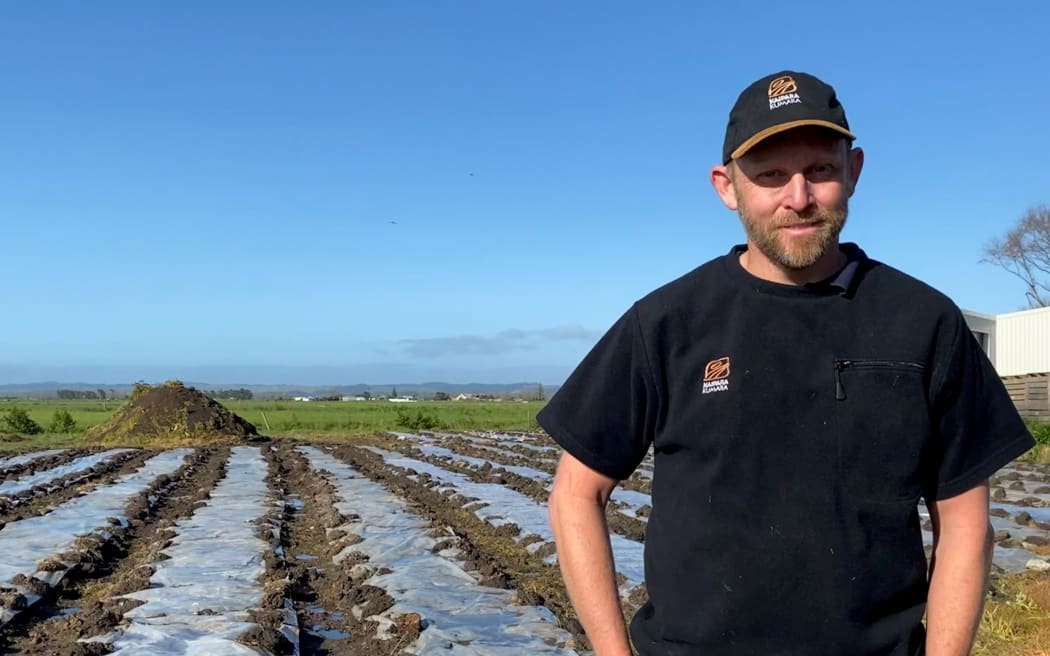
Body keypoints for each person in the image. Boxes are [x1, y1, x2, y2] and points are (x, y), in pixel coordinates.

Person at [538, 70, 1035, 656]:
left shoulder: (924, 322)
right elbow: (576, 494)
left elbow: (966, 525)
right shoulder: (667, 323)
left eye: (819, 171)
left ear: (853, 171)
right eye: (771, 175)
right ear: (727, 187)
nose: (798, 198)